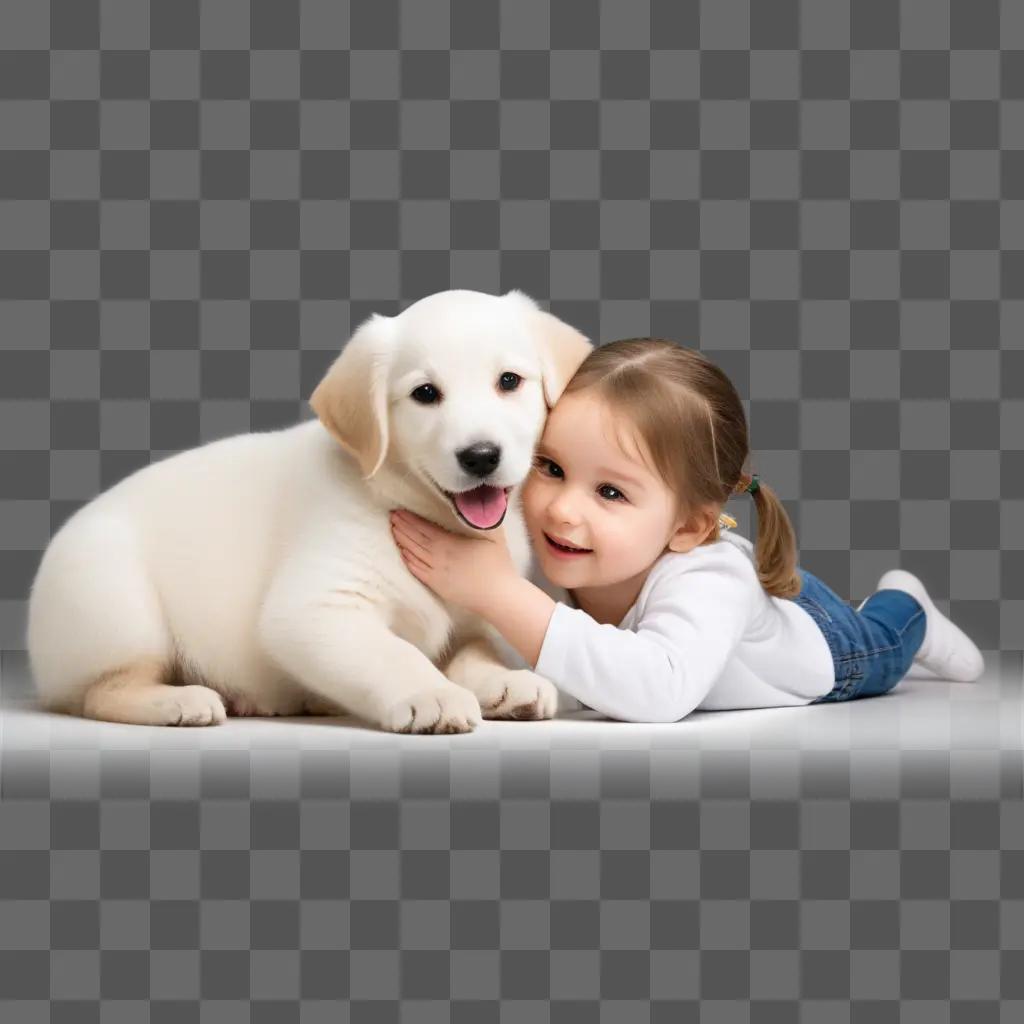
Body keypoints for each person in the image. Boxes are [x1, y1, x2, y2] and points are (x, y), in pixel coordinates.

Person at [389, 338, 985, 723]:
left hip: (829, 646)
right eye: (551, 467)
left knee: (884, 640)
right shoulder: (573, 541)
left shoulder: (710, 578)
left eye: (611, 492)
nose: (562, 510)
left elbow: (663, 690)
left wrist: (497, 592)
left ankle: (911, 605)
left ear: (690, 526)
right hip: (751, 607)